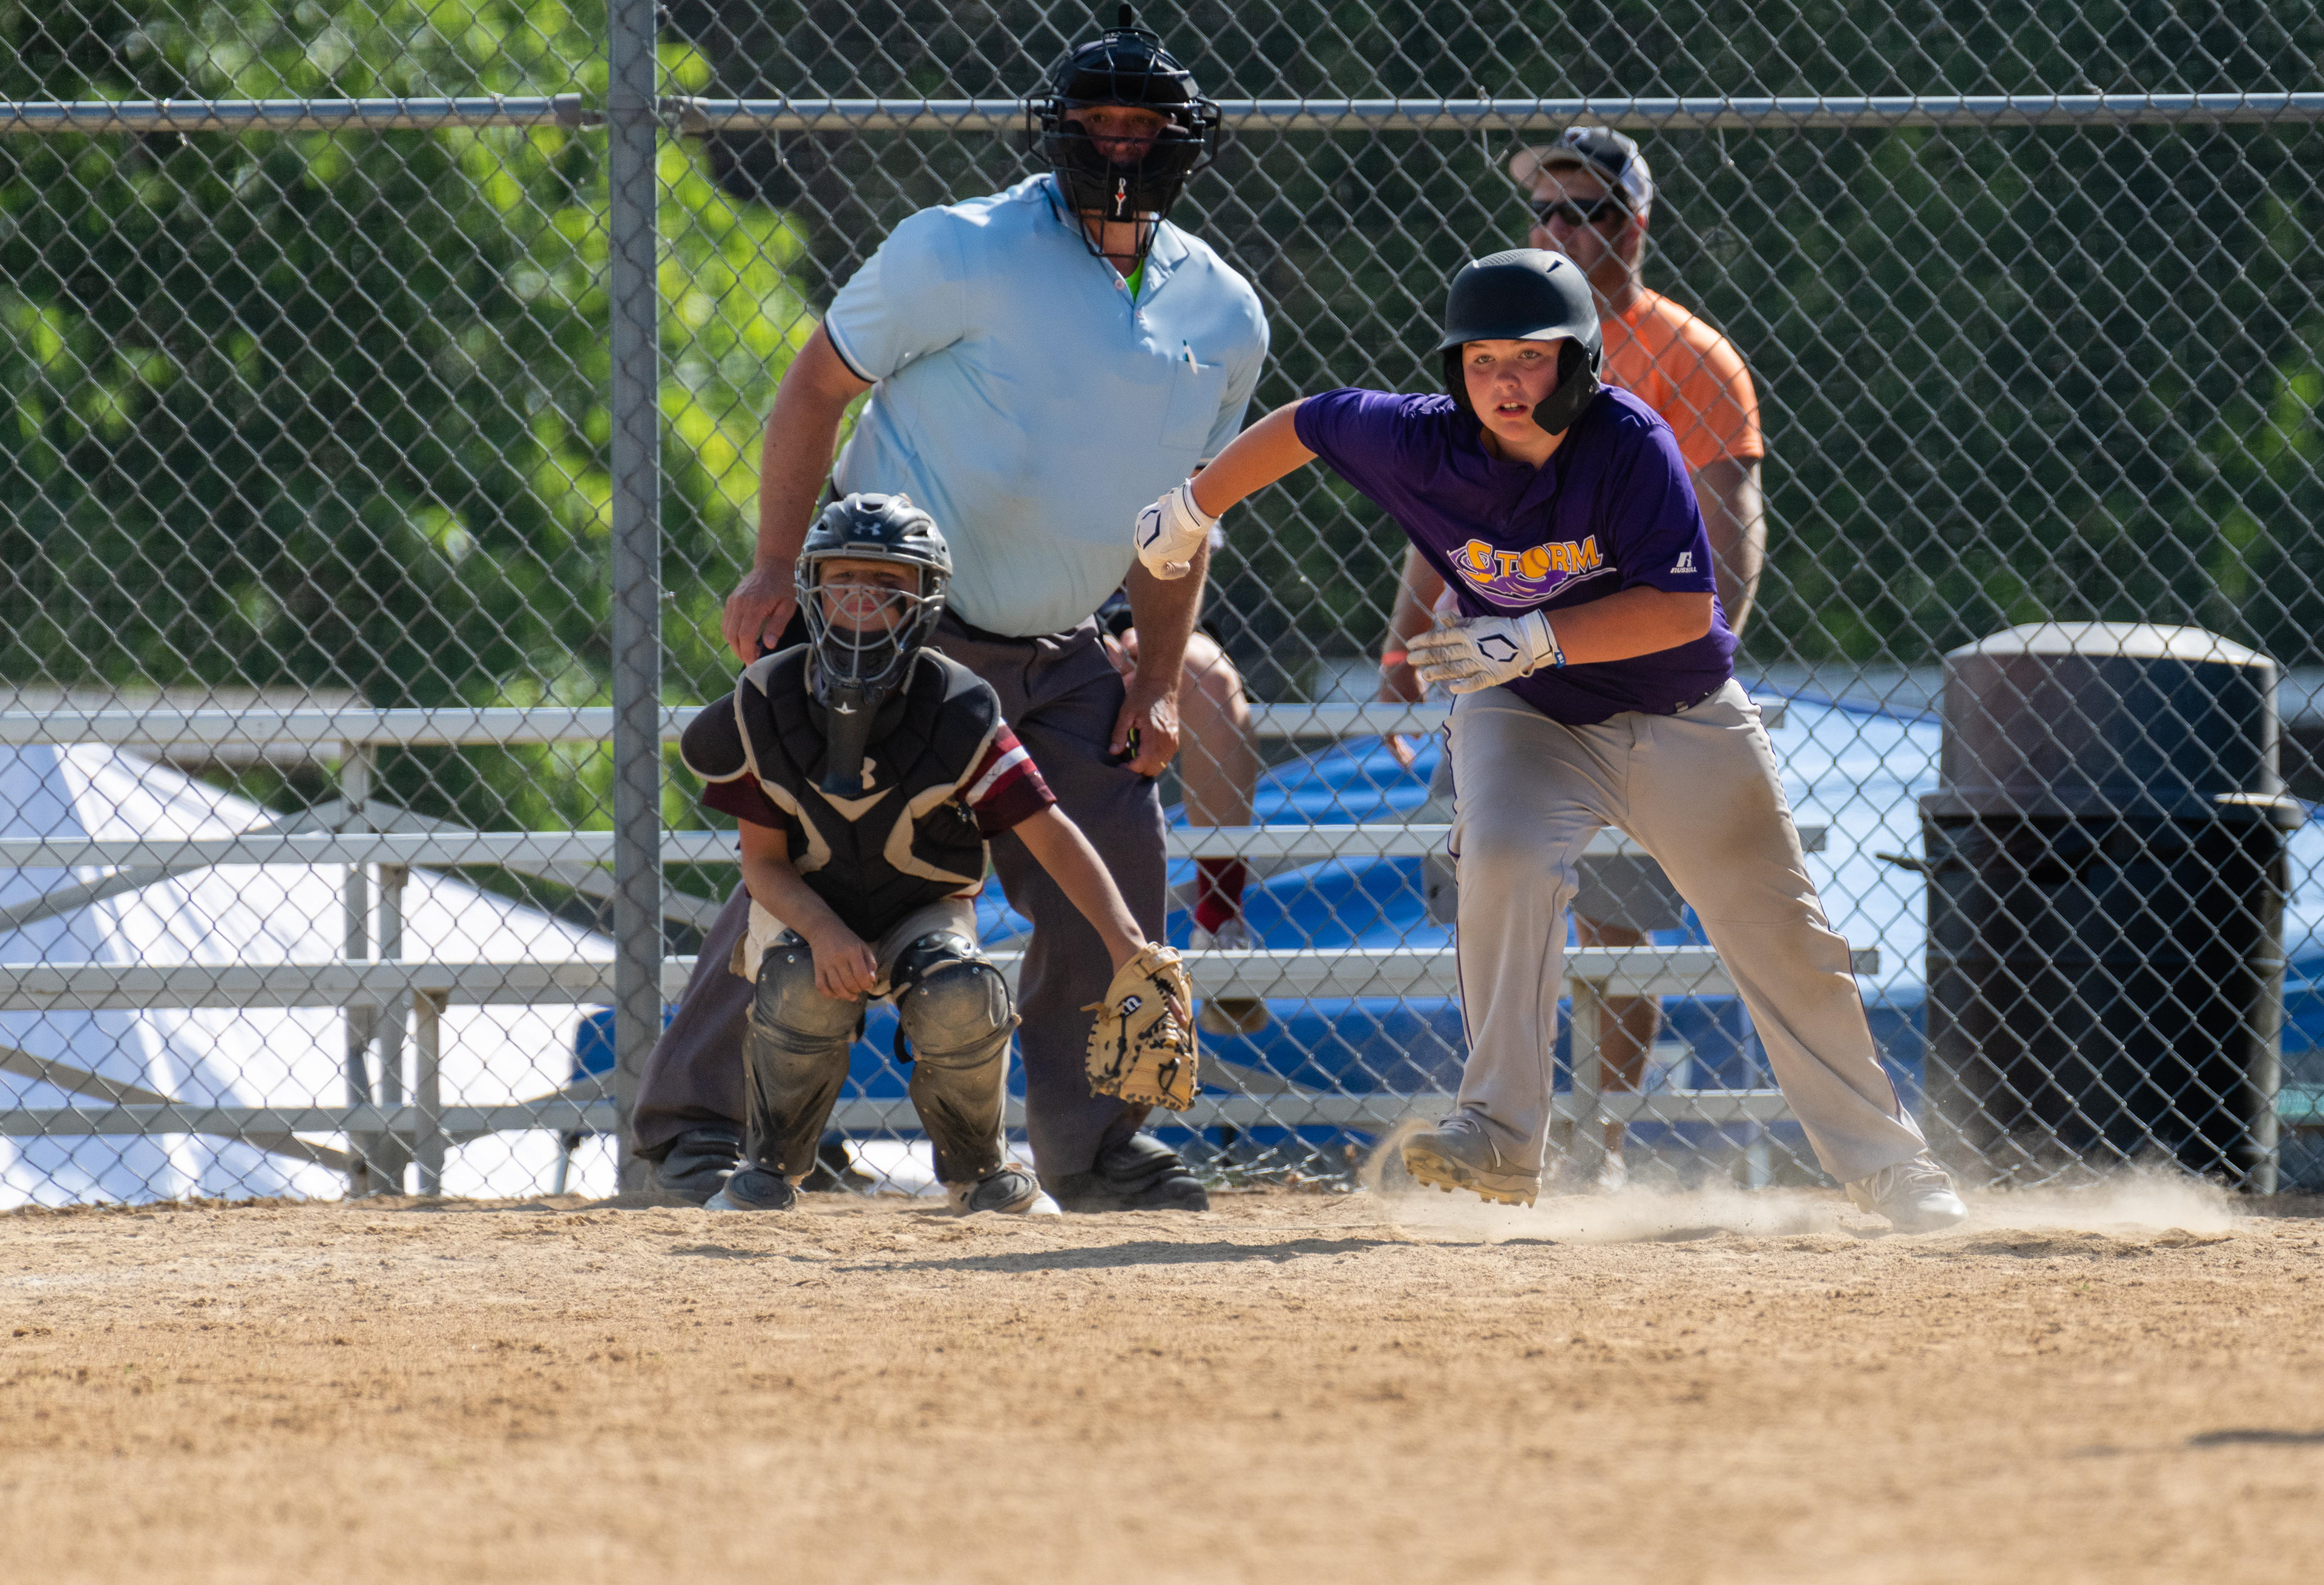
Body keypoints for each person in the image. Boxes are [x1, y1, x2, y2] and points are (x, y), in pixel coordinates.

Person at [1132, 249, 1968, 1232]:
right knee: (1502, 853)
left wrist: (1533, 633)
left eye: (1529, 358)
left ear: (1578, 364)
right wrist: (1193, 506)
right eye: (1481, 360)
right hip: (1525, 710)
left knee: (1779, 930)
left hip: (1676, 711)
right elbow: (1308, 423)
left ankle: (1891, 1165)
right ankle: (1498, 1131)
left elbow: (1682, 610)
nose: (1504, 382)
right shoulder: (1422, 439)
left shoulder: (1629, 441)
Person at [634, 10, 1269, 1213]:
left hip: (1065, 642)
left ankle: (1094, 1146)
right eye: (1098, 121)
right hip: (896, 635)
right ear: (1056, 131)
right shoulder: (960, 248)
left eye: (1144, 125)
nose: (1120, 143)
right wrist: (774, 567)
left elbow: (1180, 518)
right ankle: (702, 1130)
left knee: (1118, 854)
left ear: (1187, 143)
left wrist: (1154, 679)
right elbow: (814, 386)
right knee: (813, 857)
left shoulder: (1225, 313)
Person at [1379, 125, 1769, 1188]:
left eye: (1583, 209)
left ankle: (1606, 1151)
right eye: (1543, 210)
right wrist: (1405, 639)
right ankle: (1504, 1128)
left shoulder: (1691, 357)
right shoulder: (1504, 341)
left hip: (1631, 685)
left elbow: (1726, 538)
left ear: (1632, 225)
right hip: (1502, 677)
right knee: (1497, 886)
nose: (1556, 228)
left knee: (1617, 916)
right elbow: (1447, 505)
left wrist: (1679, 665)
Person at [686, 495, 1177, 1215]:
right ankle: (768, 1169)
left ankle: (983, 1173)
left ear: (926, 600)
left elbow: (1050, 832)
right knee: (797, 981)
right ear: (810, 588)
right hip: (809, 905)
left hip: (924, 904)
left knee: (960, 991)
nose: (861, 598)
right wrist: (824, 932)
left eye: (888, 583)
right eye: (843, 579)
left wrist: (1128, 944)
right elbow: (763, 865)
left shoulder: (959, 705)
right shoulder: (768, 698)